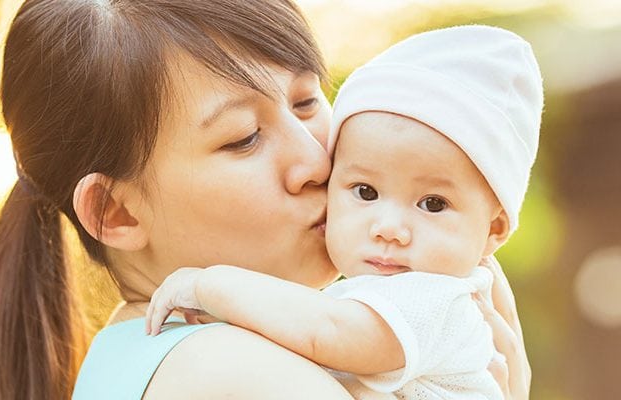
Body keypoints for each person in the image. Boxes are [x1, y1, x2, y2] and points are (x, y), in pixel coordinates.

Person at [0, 0, 531, 398]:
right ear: (115, 212)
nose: (315, 162)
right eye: (243, 138)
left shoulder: (133, 353)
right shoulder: (239, 374)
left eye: (308, 101)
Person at [145, 25, 542, 400]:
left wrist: (209, 286)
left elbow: (328, 331)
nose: (389, 229)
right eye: (366, 192)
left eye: (433, 204)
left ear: (494, 229)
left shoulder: (438, 302)